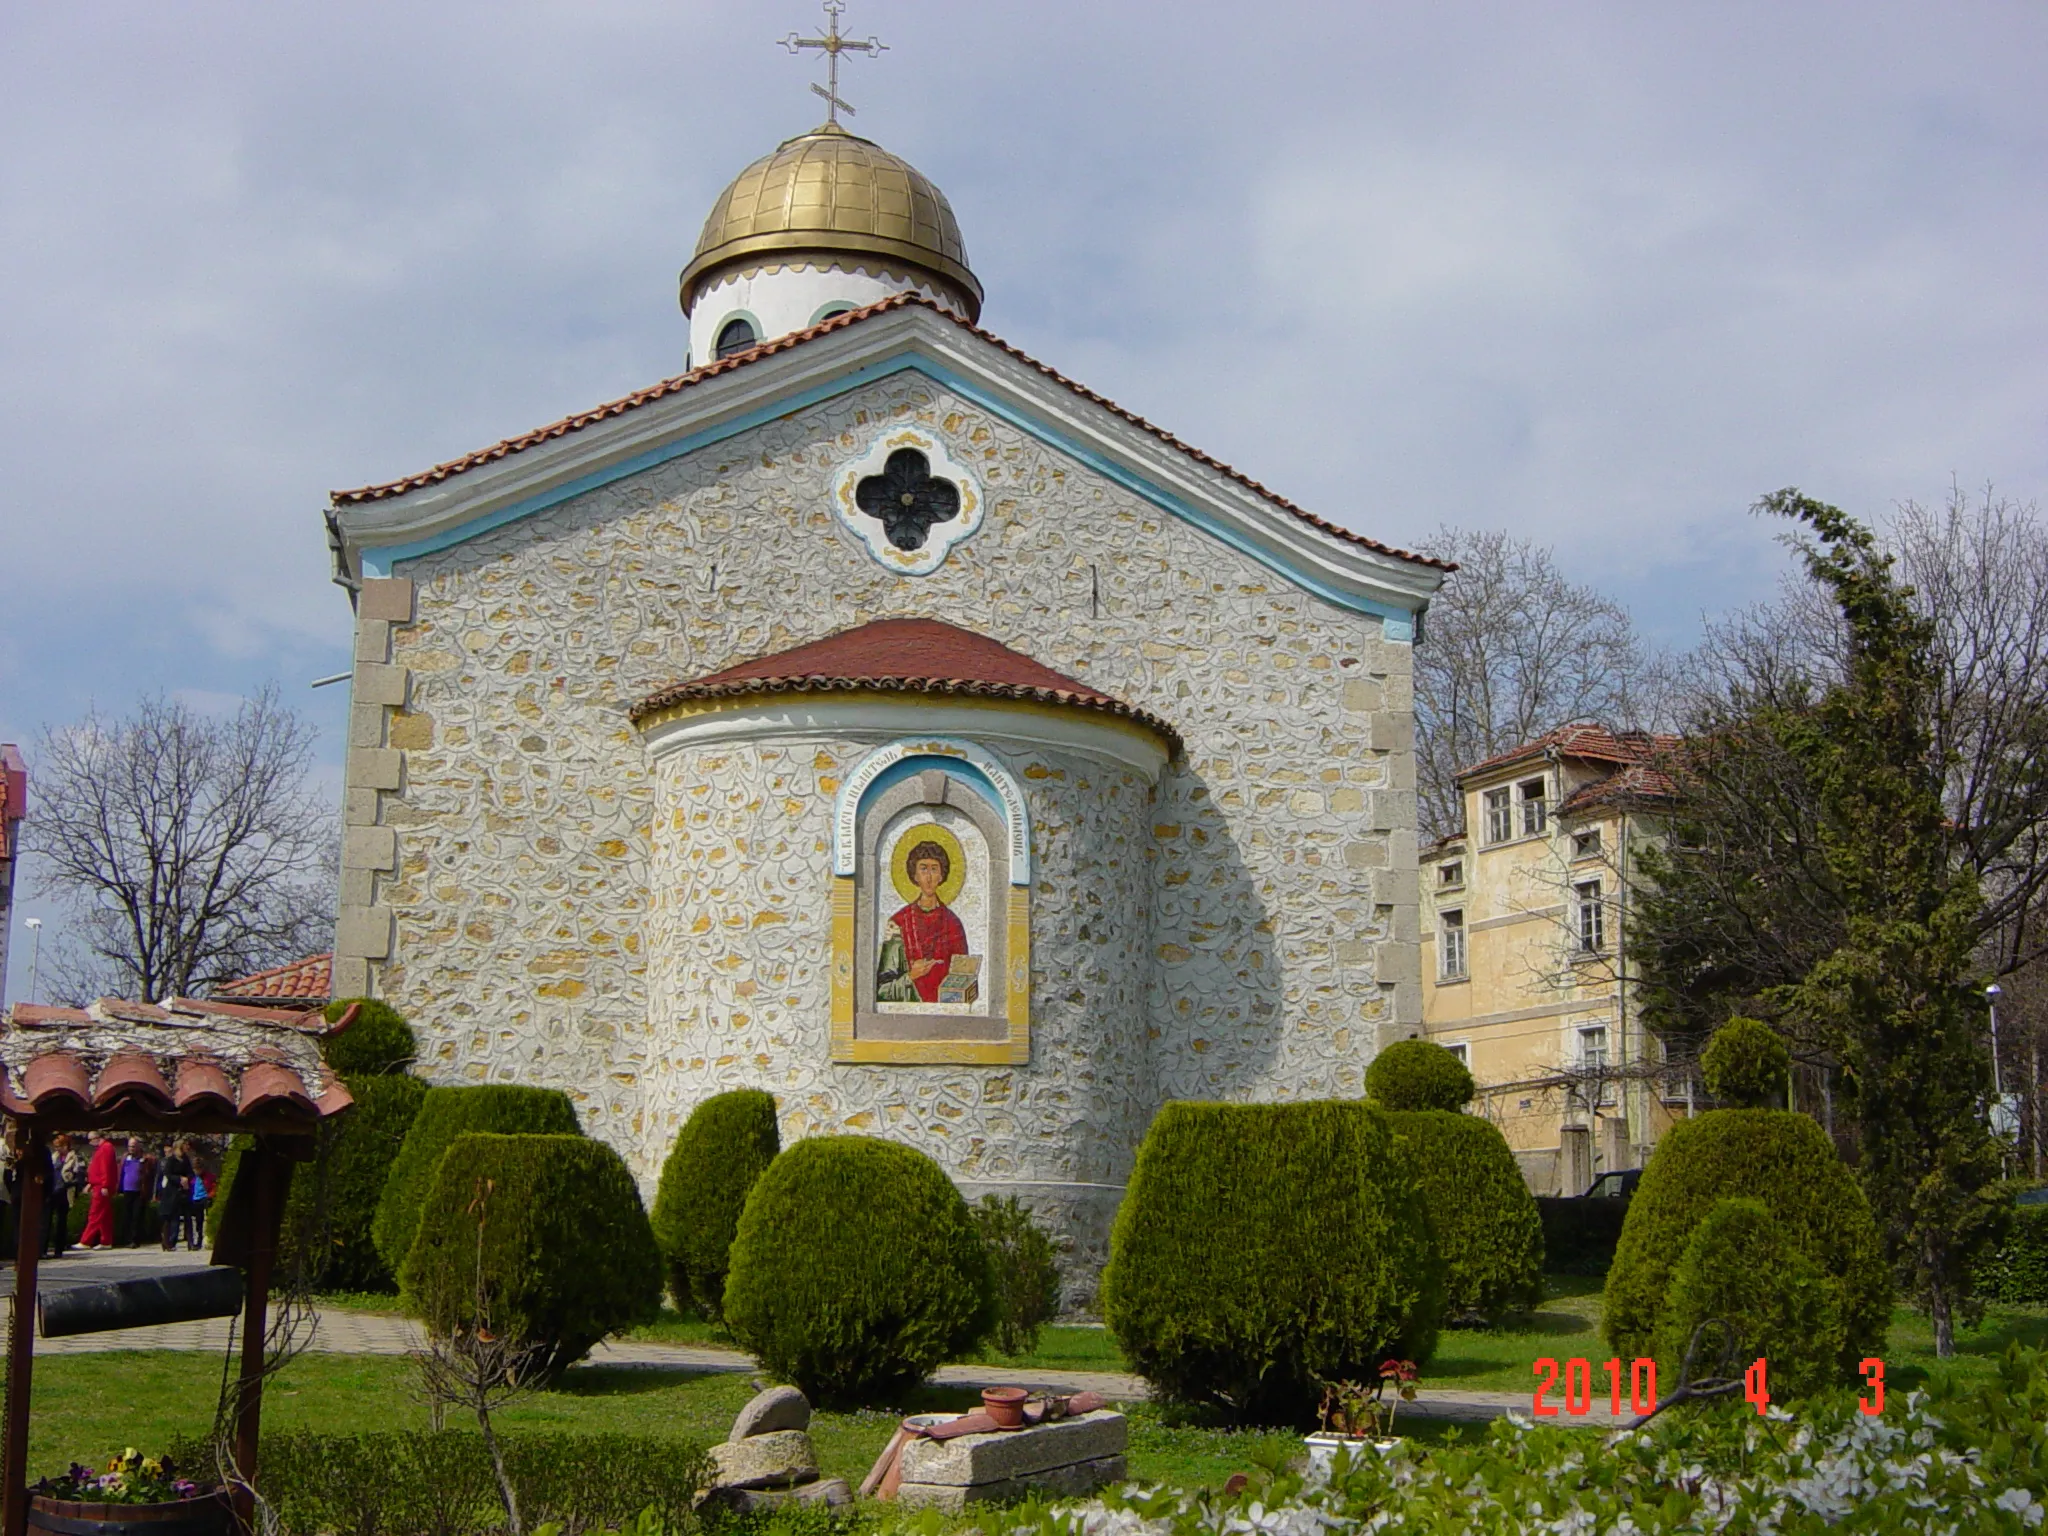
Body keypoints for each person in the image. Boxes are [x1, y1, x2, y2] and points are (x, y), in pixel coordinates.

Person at [875, 839, 970, 1004]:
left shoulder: (953, 923)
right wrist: (912, 975)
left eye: (934, 869)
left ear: (941, 875)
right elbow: (882, 991)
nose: (929, 877)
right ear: (915, 875)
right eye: (923, 869)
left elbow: (964, 980)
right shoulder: (898, 923)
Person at [80, 1132, 119, 1248]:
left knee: (95, 1213)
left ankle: (86, 1240)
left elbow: (105, 1168)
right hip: (97, 1184)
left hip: (101, 1186)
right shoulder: (101, 1149)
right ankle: (106, 1241)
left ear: (97, 1138)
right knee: (104, 1215)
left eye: (90, 1140)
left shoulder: (106, 1149)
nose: (90, 1143)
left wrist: (105, 1185)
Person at [155, 1141, 193, 1252]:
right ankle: (169, 1242)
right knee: (171, 1218)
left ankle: (190, 1242)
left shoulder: (185, 1159)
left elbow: (190, 1173)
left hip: (184, 1191)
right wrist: (179, 1179)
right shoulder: (171, 1160)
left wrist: (187, 1179)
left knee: (187, 1217)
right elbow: (168, 1173)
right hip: (172, 1192)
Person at [42, 1134, 74, 1258]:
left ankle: (59, 1249)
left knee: (61, 1221)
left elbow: (78, 1173)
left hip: (64, 1190)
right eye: (54, 1146)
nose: (56, 1149)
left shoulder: (73, 1157)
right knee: (47, 1220)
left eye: (58, 1146)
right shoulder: (53, 1157)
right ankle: (43, 1248)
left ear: (65, 1146)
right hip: (52, 1190)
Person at [118, 1137, 149, 1247]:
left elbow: (147, 1174)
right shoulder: (125, 1158)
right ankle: (126, 1239)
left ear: (138, 1147)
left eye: (133, 1146)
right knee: (127, 1216)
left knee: (137, 1216)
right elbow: (120, 1172)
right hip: (127, 1190)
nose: (131, 1148)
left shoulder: (144, 1159)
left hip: (139, 1191)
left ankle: (135, 1240)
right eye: (130, 1146)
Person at [184, 1153, 212, 1251]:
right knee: (197, 1222)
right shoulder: (192, 1178)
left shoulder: (208, 1177)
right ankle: (197, 1241)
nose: (197, 1171)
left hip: (204, 1199)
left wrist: (209, 1196)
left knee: (204, 1221)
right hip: (195, 1200)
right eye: (195, 1169)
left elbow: (213, 1187)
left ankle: (204, 1240)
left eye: (198, 1169)